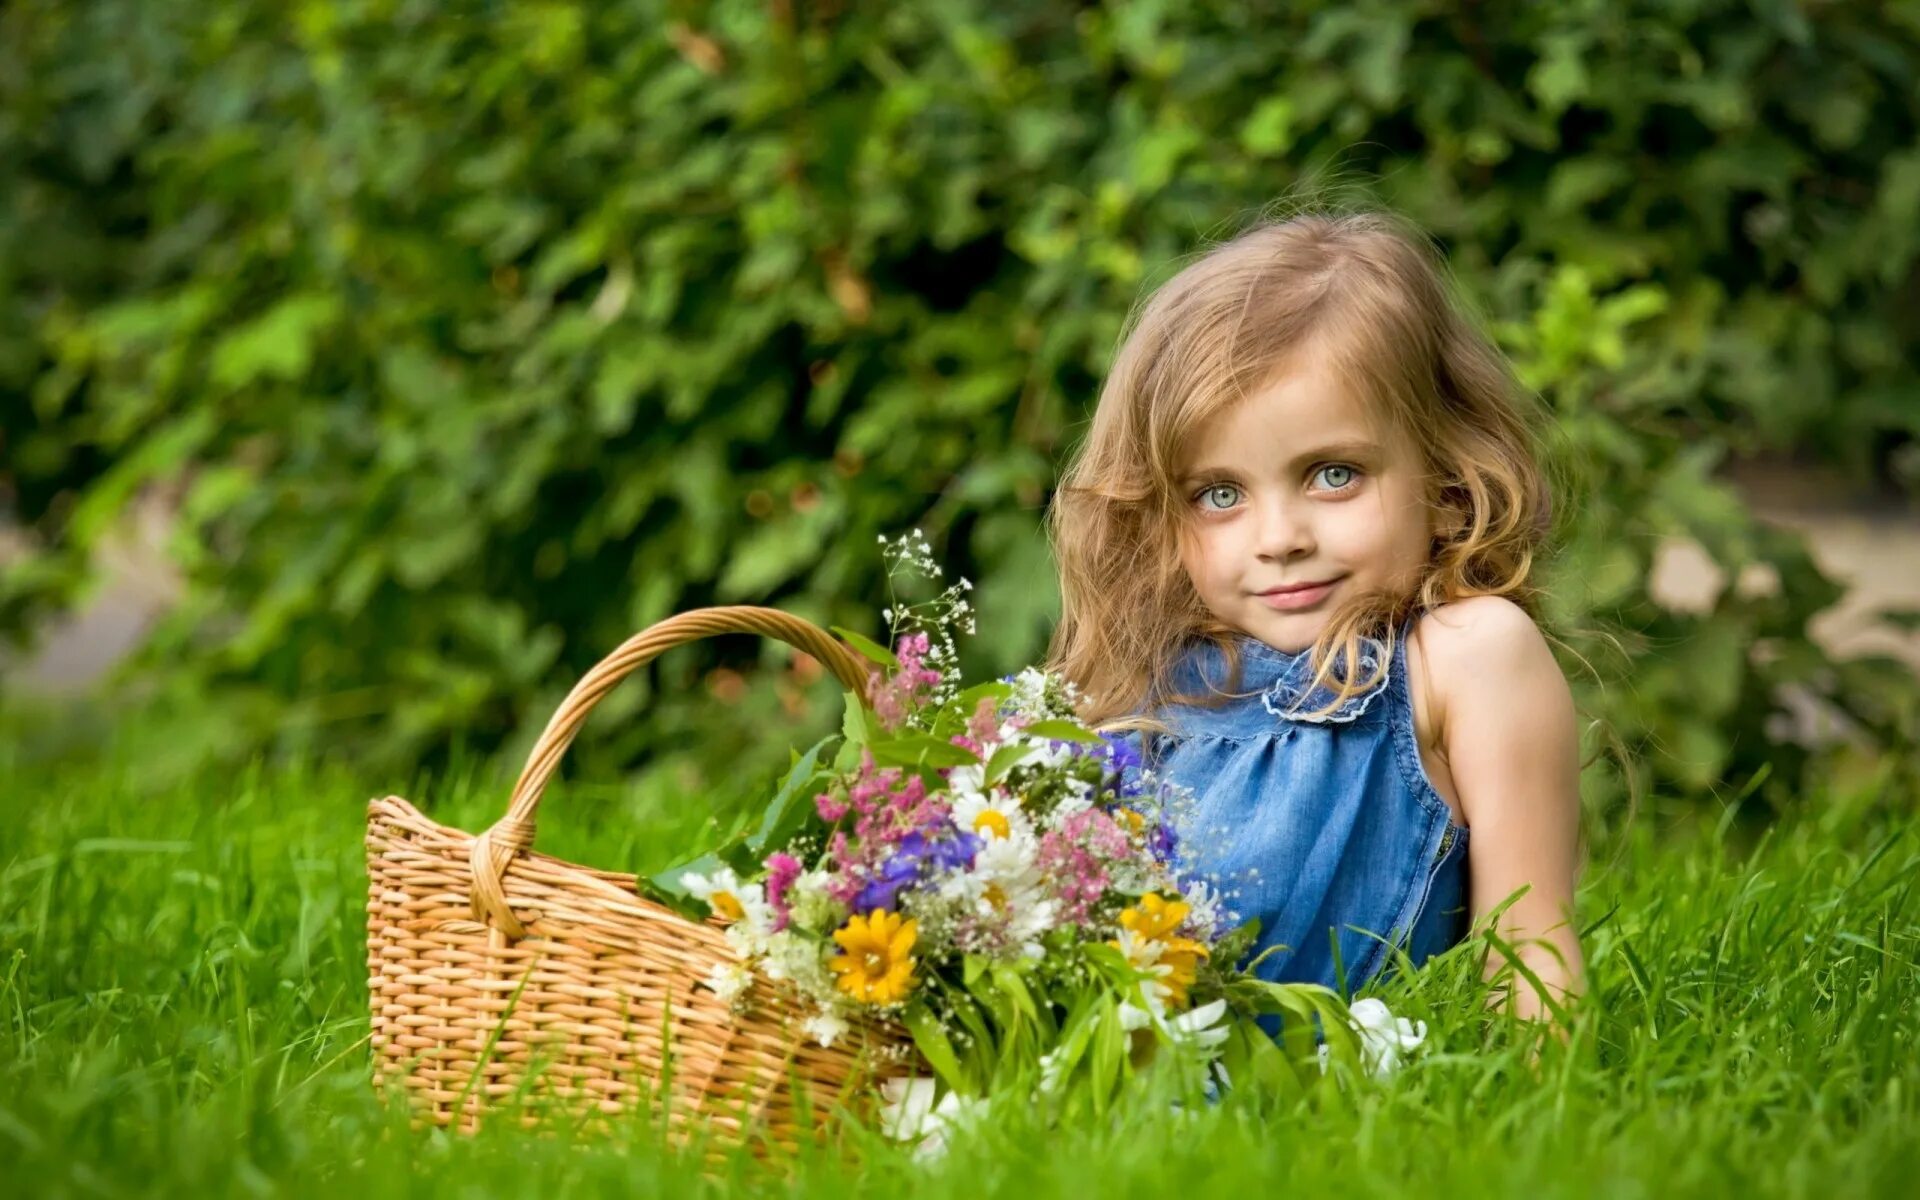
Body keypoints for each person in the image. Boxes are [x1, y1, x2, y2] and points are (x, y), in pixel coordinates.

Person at [1047, 208, 1586, 1025]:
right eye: (1219, 495)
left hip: (1319, 1105)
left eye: (1333, 474)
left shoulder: (1463, 659)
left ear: (1446, 482)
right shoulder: (1152, 684)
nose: (1280, 540)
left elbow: (1528, 946)